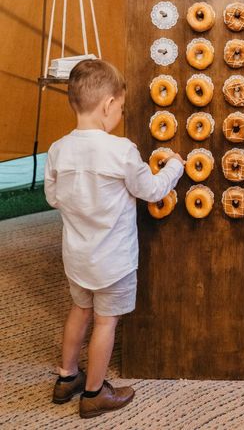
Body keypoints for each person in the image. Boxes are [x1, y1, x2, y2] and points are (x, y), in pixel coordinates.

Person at [44, 58, 184, 419]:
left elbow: (53, 197)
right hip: (114, 261)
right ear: (108, 104)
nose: (120, 114)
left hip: (76, 258)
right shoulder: (121, 150)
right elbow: (151, 190)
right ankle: (94, 393)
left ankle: (66, 377)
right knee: (106, 322)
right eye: (120, 107)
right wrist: (175, 167)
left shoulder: (58, 149)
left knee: (80, 311)